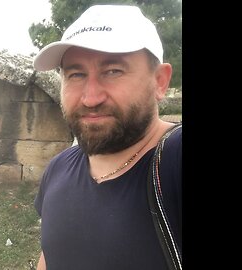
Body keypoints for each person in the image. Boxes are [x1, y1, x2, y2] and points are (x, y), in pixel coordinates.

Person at [32, 4, 182, 270]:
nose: (90, 98)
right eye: (76, 74)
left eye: (113, 71)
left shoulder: (175, 160)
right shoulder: (58, 168)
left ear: (160, 81)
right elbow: (50, 255)